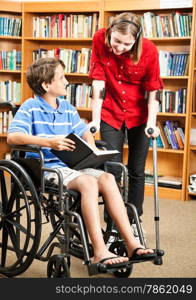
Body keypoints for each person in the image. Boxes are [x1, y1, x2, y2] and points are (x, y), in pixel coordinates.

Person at [7, 57, 156, 267]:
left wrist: (92, 146)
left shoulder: (67, 107)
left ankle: (132, 243)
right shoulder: (30, 107)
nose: (67, 81)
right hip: (47, 169)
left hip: (72, 167)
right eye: (62, 77)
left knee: (107, 177)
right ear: (46, 85)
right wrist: (49, 142)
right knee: (89, 182)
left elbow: (83, 130)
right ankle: (99, 251)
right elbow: (13, 138)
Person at [88, 12, 163, 236]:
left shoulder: (149, 50)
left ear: (136, 40)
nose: (120, 47)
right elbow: (98, 82)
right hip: (111, 112)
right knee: (112, 170)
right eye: (116, 41)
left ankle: (133, 219)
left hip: (139, 115)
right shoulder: (99, 39)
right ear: (110, 32)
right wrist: (94, 118)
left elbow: (153, 90)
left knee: (136, 170)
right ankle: (113, 223)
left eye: (126, 44)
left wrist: (151, 122)